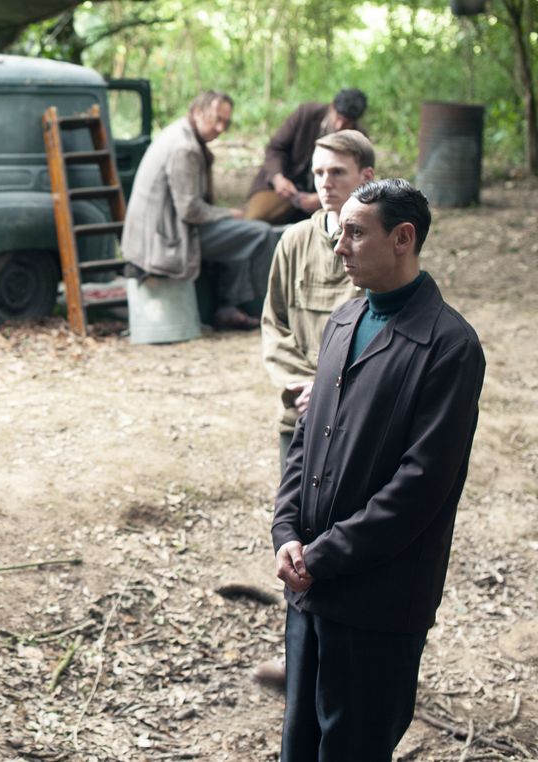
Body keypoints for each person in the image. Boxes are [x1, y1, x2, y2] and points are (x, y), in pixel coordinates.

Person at [271, 179, 485, 761]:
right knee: (300, 743)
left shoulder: (450, 346)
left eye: (355, 233)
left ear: (403, 238)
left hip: (378, 600)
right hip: (309, 585)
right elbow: (305, 445)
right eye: (340, 232)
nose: (339, 245)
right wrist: (287, 532)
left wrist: (326, 553)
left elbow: (421, 486)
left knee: (355, 746)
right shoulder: (342, 321)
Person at [253, 130, 375, 690]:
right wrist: (300, 386)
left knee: (347, 538)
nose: (325, 183)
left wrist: (330, 390)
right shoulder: (293, 243)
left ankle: (348, 661)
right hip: (296, 418)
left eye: (338, 174)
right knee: (294, 536)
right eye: (320, 173)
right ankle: (298, 659)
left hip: (355, 426)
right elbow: (273, 326)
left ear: (365, 179)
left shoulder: (377, 249)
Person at [121, 90, 279, 330]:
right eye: (216, 119)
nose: (220, 128)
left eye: (225, 122)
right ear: (197, 112)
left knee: (241, 232)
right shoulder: (185, 148)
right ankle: (268, 310)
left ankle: (228, 305)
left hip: (160, 232)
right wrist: (229, 213)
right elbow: (189, 210)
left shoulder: (180, 133)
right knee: (260, 234)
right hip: (165, 241)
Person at [246, 88, 368, 225]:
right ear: (332, 107)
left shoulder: (357, 139)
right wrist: (278, 178)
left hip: (325, 198)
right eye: (338, 117)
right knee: (254, 220)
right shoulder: (306, 114)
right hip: (283, 186)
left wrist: (322, 198)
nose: (339, 125)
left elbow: (357, 179)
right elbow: (275, 148)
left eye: (347, 122)